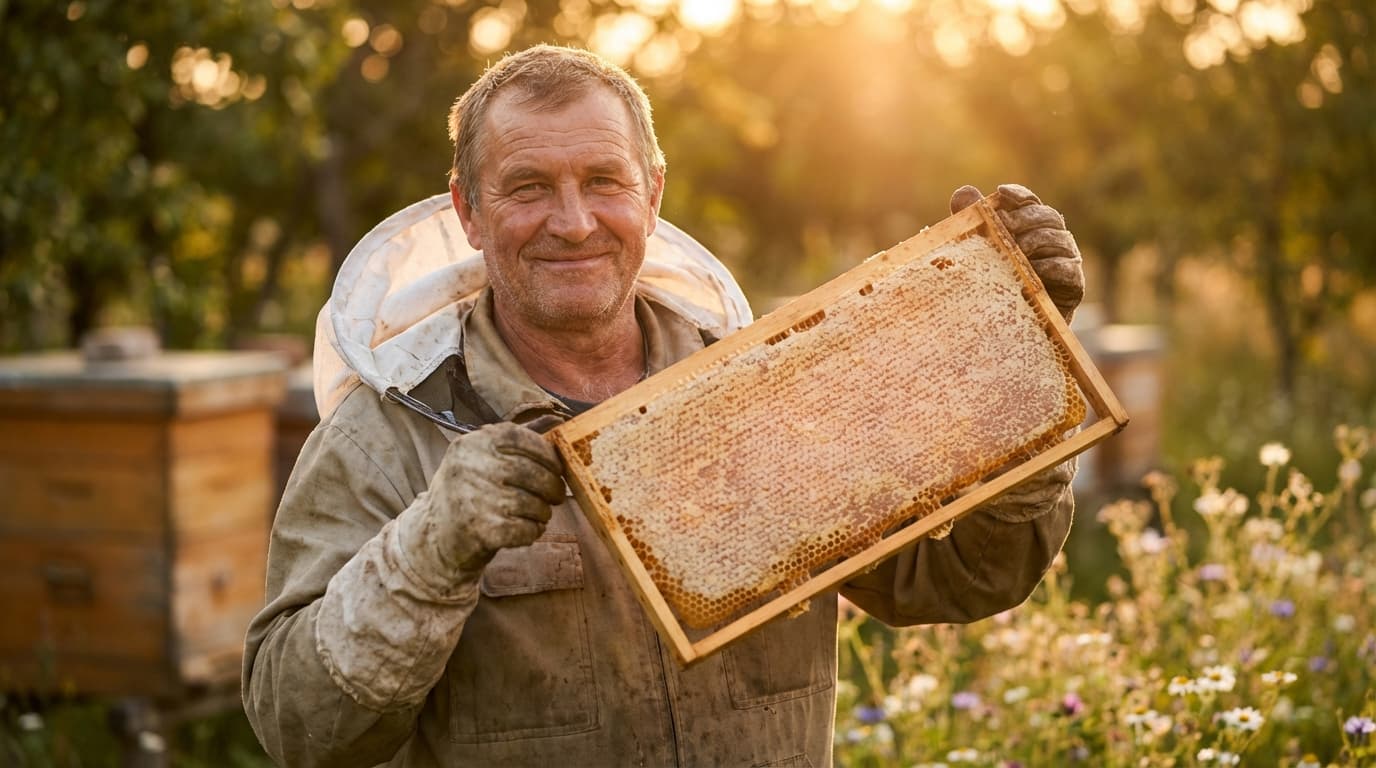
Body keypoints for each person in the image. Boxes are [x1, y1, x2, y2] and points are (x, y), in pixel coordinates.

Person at [242, 44, 1084, 767]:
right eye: (527, 186)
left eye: (603, 180)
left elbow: (958, 579)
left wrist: (1020, 354)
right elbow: (298, 726)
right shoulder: (383, 439)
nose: (572, 222)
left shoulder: (770, 391)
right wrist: (430, 550)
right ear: (466, 210)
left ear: (652, 193)